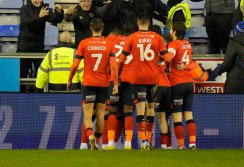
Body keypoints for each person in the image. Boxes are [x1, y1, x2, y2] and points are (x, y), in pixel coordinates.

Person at [115, 13, 170, 150]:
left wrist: (118, 75)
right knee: (151, 108)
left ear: (138, 22)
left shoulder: (132, 37)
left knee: (140, 109)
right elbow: (167, 58)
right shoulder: (157, 37)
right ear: (149, 23)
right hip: (153, 78)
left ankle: (143, 141)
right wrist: (166, 67)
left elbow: (121, 59)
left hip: (137, 77)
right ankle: (148, 139)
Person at [68, 18, 116, 150]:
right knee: (101, 114)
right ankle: (97, 141)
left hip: (88, 83)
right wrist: (116, 84)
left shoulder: (84, 43)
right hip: (103, 84)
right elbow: (114, 66)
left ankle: (90, 137)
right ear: (102, 29)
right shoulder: (108, 44)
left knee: (88, 115)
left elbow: (75, 65)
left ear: (91, 28)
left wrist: (70, 79)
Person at [17, 0, 64, 92]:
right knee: (21, 76)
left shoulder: (44, 8)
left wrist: (59, 12)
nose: (38, 1)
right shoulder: (24, 9)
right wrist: (39, 16)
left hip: (38, 48)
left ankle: (39, 97)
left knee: (41, 76)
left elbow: (56, 19)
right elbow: (26, 23)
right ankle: (20, 96)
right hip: (24, 48)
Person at [166, 22, 197, 149]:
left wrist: (165, 62)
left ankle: (181, 146)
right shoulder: (187, 44)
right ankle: (193, 143)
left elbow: (169, 57)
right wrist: (185, 66)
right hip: (189, 83)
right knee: (189, 115)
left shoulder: (173, 44)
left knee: (177, 117)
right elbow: (193, 64)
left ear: (174, 31)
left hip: (177, 84)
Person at [106, 22, 135, 150]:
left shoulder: (113, 40)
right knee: (128, 112)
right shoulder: (135, 42)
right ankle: (128, 144)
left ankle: (111, 143)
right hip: (130, 79)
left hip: (114, 79)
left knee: (112, 110)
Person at [217, 21, 244, 94]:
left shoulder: (233, 43)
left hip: (233, 84)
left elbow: (227, 62)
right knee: (243, 104)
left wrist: (220, 70)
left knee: (230, 104)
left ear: (236, 31)